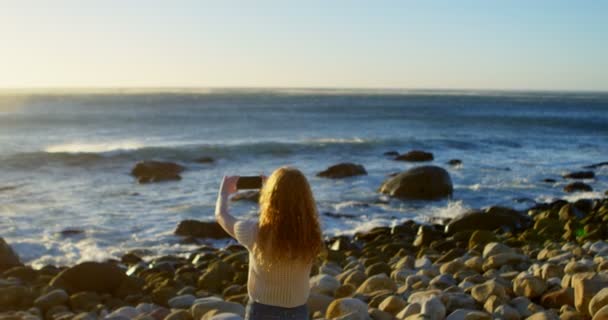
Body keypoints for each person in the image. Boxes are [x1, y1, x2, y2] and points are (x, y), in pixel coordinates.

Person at [215, 167, 323, 320]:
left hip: (262, 312)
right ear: (306, 197)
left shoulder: (255, 232)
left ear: (271, 197)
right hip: (298, 312)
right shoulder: (312, 233)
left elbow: (221, 215)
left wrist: (224, 193)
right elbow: (296, 215)